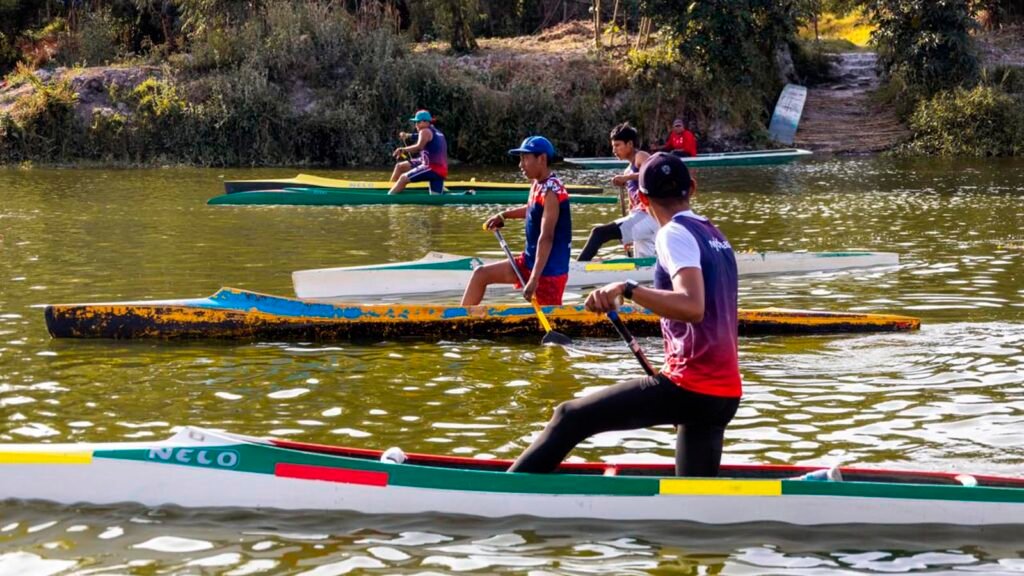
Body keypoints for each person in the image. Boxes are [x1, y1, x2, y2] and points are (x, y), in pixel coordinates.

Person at [508, 152, 741, 477]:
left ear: (642, 198)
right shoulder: (715, 234)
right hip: (724, 394)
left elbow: (693, 307)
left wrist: (627, 288)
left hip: (692, 387)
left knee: (569, 417)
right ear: (693, 187)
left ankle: (500, 496)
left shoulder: (673, 233)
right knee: (693, 501)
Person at [460, 136, 571, 306]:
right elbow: (532, 211)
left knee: (550, 321)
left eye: (525, 158)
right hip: (529, 262)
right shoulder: (537, 183)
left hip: (548, 273)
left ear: (541, 159)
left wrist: (534, 279)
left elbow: (546, 237)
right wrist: (504, 215)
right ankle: (460, 321)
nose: (520, 165)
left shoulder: (552, 191)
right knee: (480, 274)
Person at [577, 122, 658, 261]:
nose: (614, 150)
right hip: (640, 218)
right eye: (613, 146)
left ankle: (575, 270)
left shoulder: (641, 156)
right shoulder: (627, 170)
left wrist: (626, 178)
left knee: (599, 233)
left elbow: (653, 174)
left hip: (650, 216)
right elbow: (633, 203)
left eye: (617, 145)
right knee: (644, 261)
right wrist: (626, 234)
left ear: (630, 144)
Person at [388, 110, 448, 195]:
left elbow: (419, 147)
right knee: (435, 198)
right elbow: (420, 136)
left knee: (403, 178)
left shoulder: (425, 131)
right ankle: (392, 187)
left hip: (431, 167)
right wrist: (408, 135)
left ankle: (389, 198)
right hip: (441, 170)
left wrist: (403, 149)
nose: (416, 124)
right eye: (415, 122)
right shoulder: (436, 131)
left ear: (426, 122)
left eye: (418, 122)